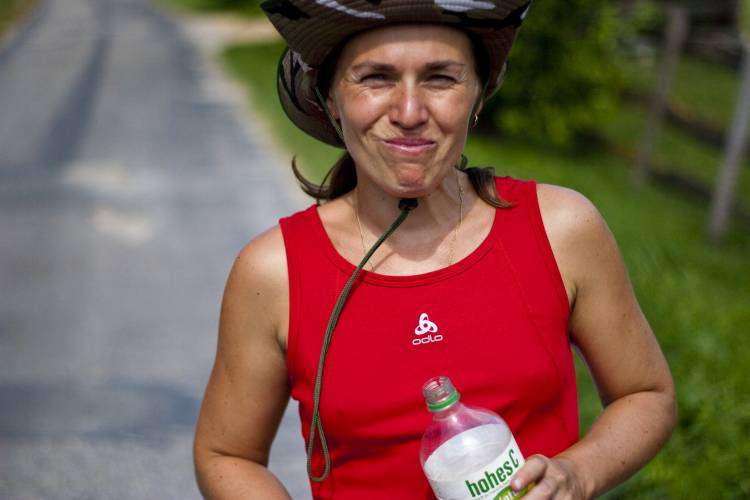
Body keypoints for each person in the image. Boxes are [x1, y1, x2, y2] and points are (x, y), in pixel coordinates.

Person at [193, 0, 677, 498]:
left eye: (441, 78)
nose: (409, 113)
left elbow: (646, 394)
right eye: (376, 78)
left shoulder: (560, 229)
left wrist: (577, 473)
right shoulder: (274, 273)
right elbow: (226, 454)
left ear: (479, 96)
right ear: (331, 98)